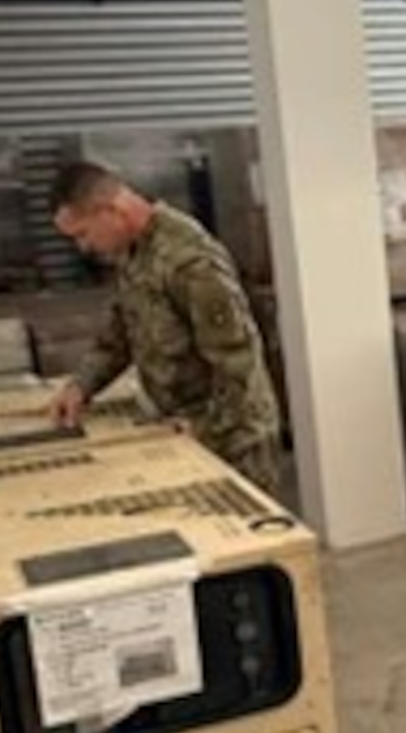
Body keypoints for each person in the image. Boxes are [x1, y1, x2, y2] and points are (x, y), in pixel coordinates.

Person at [47, 161, 285, 495]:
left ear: (111, 211)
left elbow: (238, 363)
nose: (82, 248)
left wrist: (200, 427)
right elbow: (119, 335)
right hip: (181, 431)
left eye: (82, 234)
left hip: (232, 441)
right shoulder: (130, 255)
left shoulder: (188, 260)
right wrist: (81, 387)